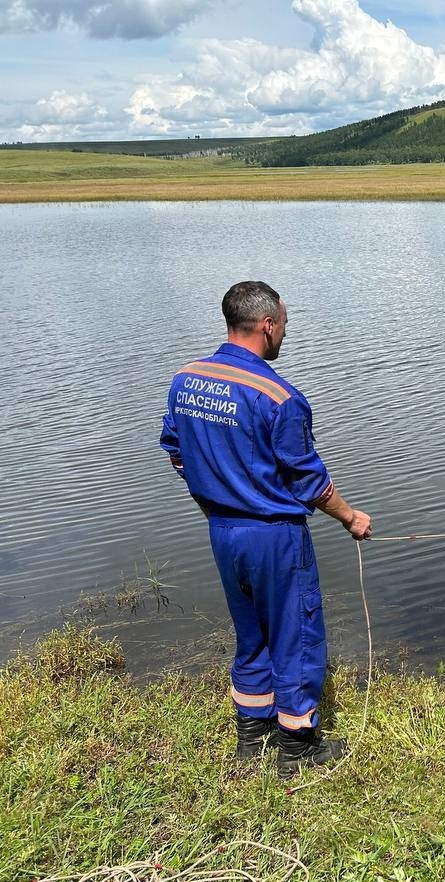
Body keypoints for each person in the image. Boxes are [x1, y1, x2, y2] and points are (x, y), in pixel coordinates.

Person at [159, 281, 373, 778]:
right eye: (284, 325)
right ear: (267, 324)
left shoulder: (185, 379)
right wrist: (350, 517)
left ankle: (250, 736)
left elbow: (175, 451)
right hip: (273, 534)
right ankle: (298, 746)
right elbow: (309, 480)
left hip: (222, 531)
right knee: (295, 634)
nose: (284, 335)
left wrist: (210, 496)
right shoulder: (279, 396)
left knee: (250, 632)